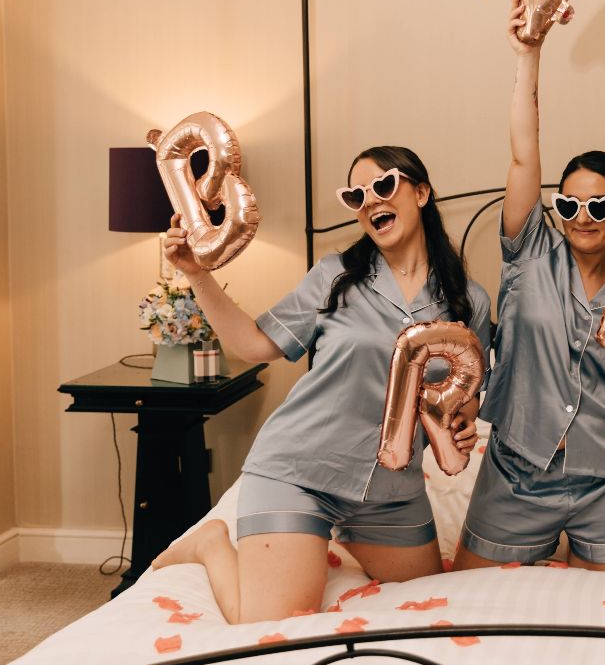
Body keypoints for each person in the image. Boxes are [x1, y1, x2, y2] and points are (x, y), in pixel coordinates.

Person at [152, 146, 491, 623]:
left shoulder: (468, 301)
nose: (371, 201)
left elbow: (467, 392)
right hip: (300, 470)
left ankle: (329, 540)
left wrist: (463, 423)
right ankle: (210, 544)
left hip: (391, 489)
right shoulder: (336, 277)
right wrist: (196, 272)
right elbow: (254, 345)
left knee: (429, 608)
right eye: (357, 196)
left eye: (384, 185)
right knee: (270, 622)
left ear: (421, 192)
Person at [452, 0, 605, 572]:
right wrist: (529, 54)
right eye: (569, 205)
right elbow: (524, 157)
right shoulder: (528, 254)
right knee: (467, 605)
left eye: (601, 206)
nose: (583, 217)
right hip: (518, 468)